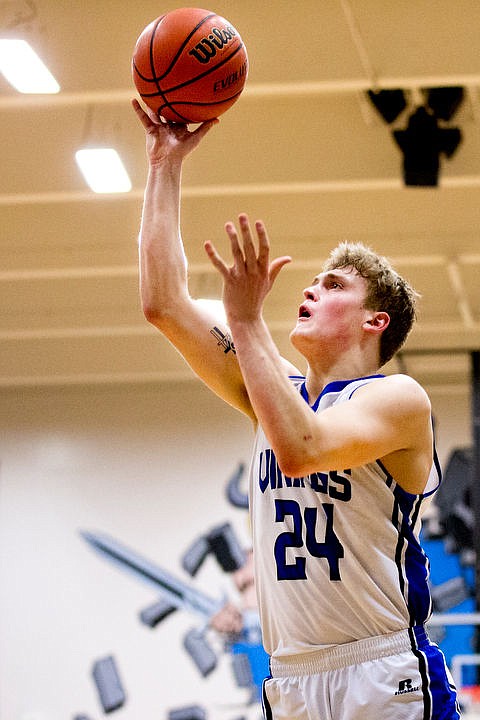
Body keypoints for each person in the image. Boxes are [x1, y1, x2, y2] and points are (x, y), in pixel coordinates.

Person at [132, 98, 461, 720]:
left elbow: (303, 448)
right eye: (314, 279)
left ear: (376, 321)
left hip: (381, 672)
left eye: (334, 285)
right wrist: (164, 164)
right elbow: (163, 302)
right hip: (290, 679)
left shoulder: (397, 400)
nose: (311, 288)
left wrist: (247, 319)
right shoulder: (272, 389)